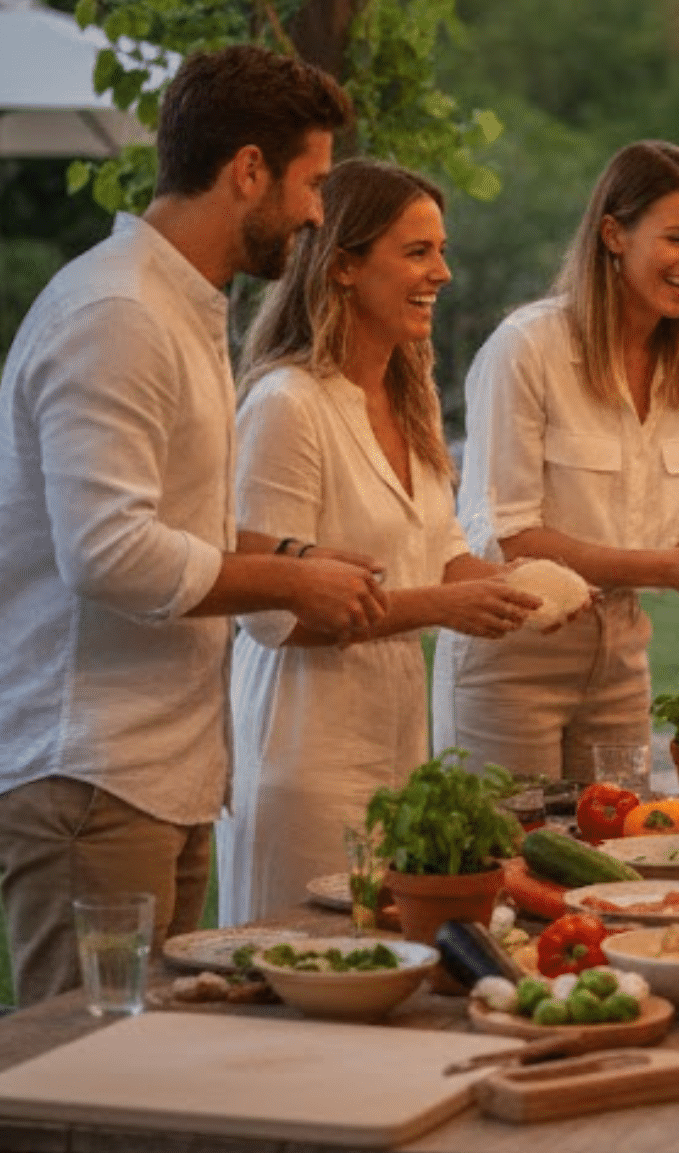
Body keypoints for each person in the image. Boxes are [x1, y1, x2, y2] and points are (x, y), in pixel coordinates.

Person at [0, 45, 390, 1005]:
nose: (319, 212)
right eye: (312, 183)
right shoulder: (117, 313)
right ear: (247, 171)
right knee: (80, 1076)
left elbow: (181, 523)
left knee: (144, 1070)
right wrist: (288, 582)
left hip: (157, 768)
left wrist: (298, 555)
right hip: (84, 768)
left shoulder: (180, 306)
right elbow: (106, 553)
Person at [216, 158, 544, 924]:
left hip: (398, 739)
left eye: (441, 249)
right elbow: (268, 613)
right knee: (306, 962)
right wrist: (443, 605)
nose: (444, 271)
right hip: (304, 751)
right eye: (418, 252)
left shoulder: (410, 393)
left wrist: (519, 586)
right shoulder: (287, 405)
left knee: (390, 956)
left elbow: (442, 554)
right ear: (342, 267)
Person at [433, 140, 679, 783]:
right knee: (513, 859)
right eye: (678, 237)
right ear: (613, 235)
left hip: (622, 650)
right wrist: (671, 568)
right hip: (515, 648)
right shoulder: (526, 348)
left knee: (617, 855)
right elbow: (510, 535)